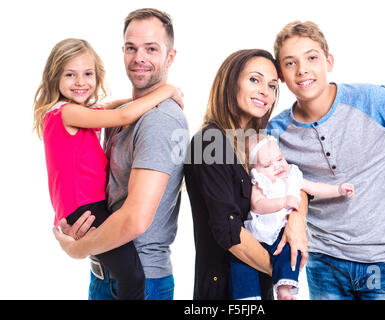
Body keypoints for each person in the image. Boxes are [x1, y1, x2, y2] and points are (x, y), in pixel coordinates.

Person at [267, 20, 385, 300]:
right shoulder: (276, 132)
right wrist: (296, 218)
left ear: (329, 61)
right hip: (325, 262)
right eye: (290, 63)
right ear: (281, 74)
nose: (302, 70)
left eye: (312, 57)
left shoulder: (374, 101)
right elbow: (284, 183)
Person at [52, 8, 189, 300]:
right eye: (131, 48)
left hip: (142, 279)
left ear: (170, 57)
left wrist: (77, 248)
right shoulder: (121, 116)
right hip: (103, 273)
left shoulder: (158, 120)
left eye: (151, 49)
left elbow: (135, 220)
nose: (139, 57)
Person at [184, 49, 309, 300]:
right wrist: (284, 272)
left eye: (272, 85)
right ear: (231, 82)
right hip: (225, 290)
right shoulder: (210, 143)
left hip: (259, 288)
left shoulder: (254, 143)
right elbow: (229, 232)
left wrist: (296, 221)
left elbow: (293, 182)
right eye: (255, 79)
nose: (265, 91)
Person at [230, 133, 354, 300]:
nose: (277, 166)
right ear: (254, 170)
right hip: (258, 236)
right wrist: (283, 202)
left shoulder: (293, 177)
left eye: (280, 159)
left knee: (290, 251)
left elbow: (315, 188)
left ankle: (284, 289)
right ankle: (248, 297)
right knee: (242, 264)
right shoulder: (259, 183)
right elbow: (258, 205)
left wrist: (337, 190)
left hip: (281, 234)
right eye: (268, 164)